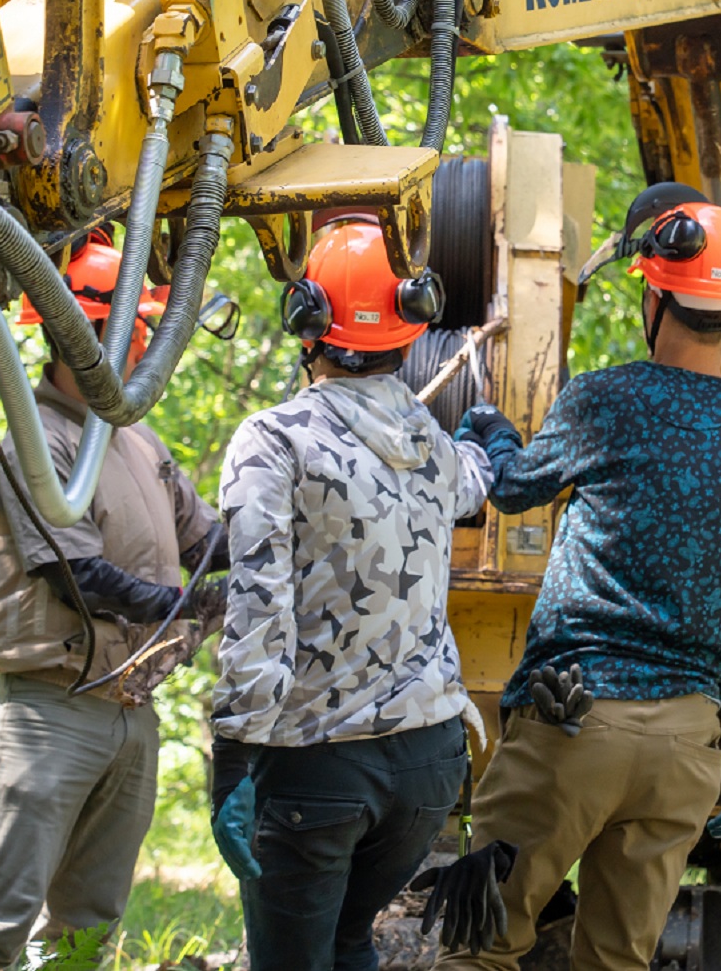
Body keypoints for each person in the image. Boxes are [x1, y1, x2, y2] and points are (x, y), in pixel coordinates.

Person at [436, 184, 721, 971]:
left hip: (574, 721)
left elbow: (511, 487)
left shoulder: (607, 400)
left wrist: (493, 432)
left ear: (654, 295)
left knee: (482, 945)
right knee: (616, 962)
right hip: (686, 753)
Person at [209, 217, 518, 971]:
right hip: (428, 767)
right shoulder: (428, 442)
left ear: (305, 318)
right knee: (350, 944)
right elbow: (475, 480)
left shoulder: (272, 441)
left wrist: (231, 763)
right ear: (411, 329)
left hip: (316, 765)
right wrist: (493, 444)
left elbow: (257, 612)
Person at [0, 234, 226, 970]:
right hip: (51, 712)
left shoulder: (138, 442)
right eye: (135, 330)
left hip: (132, 713)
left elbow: (208, 541)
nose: (143, 345)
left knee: (85, 932)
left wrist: (281, 531)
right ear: (83, 336)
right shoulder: (38, 444)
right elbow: (80, 577)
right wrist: (187, 605)